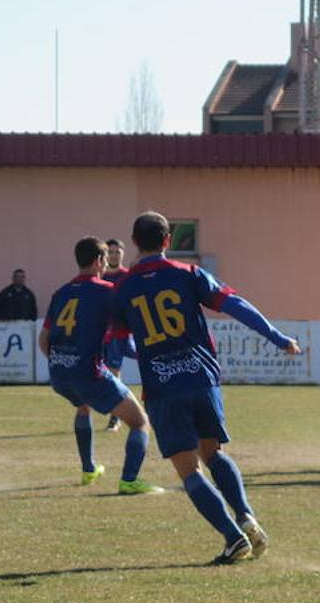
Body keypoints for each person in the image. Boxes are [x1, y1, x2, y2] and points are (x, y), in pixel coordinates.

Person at [112, 211, 300, 564]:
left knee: (189, 469)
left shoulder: (123, 288)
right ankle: (246, 517)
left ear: (135, 243)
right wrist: (277, 337)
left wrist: (148, 358)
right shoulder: (189, 274)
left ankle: (234, 538)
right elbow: (236, 305)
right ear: (168, 241)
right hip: (202, 379)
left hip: (164, 388)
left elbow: (120, 342)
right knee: (213, 453)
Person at [39, 236, 161, 494]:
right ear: (98, 261)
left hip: (59, 374)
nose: (107, 264)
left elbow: (44, 339)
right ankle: (129, 481)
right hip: (88, 372)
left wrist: (63, 362)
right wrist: (146, 354)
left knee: (83, 407)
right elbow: (126, 342)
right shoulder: (108, 292)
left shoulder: (61, 293)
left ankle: (88, 469)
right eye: (105, 259)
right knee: (139, 422)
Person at [101, 238, 132, 432]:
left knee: (114, 372)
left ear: (122, 254)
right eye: (110, 252)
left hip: (117, 332)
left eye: (116, 252)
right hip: (98, 332)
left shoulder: (128, 277)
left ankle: (116, 417)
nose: (113, 255)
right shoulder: (99, 275)